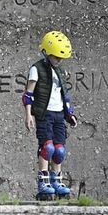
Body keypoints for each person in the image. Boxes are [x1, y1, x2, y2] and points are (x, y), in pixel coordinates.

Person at [22, 30, 79, 200]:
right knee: (47, 147)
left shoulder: (60, 72)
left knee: (60, 150)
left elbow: (64, 95)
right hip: (44, 114)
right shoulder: (36, 69)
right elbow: (28, 94)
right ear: (47, 53)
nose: (58, 61)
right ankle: (44, 181)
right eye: (56, 57)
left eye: (61, 58)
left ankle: (57, 181)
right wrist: (29, 115)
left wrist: (69, 114)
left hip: (59, 115)